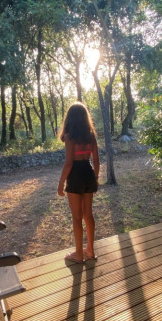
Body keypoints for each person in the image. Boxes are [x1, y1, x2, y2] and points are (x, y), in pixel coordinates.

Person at [57, 101, 100, 263]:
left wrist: (61, 183)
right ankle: (90, 250)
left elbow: (68, 163)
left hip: (75, 176)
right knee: (88, 215)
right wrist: (95, 179)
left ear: (70, 119)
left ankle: (78, 254)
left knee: (77, 217)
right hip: (88, 173)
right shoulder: (91, 137)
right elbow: (96, 161)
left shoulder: (69, 138)